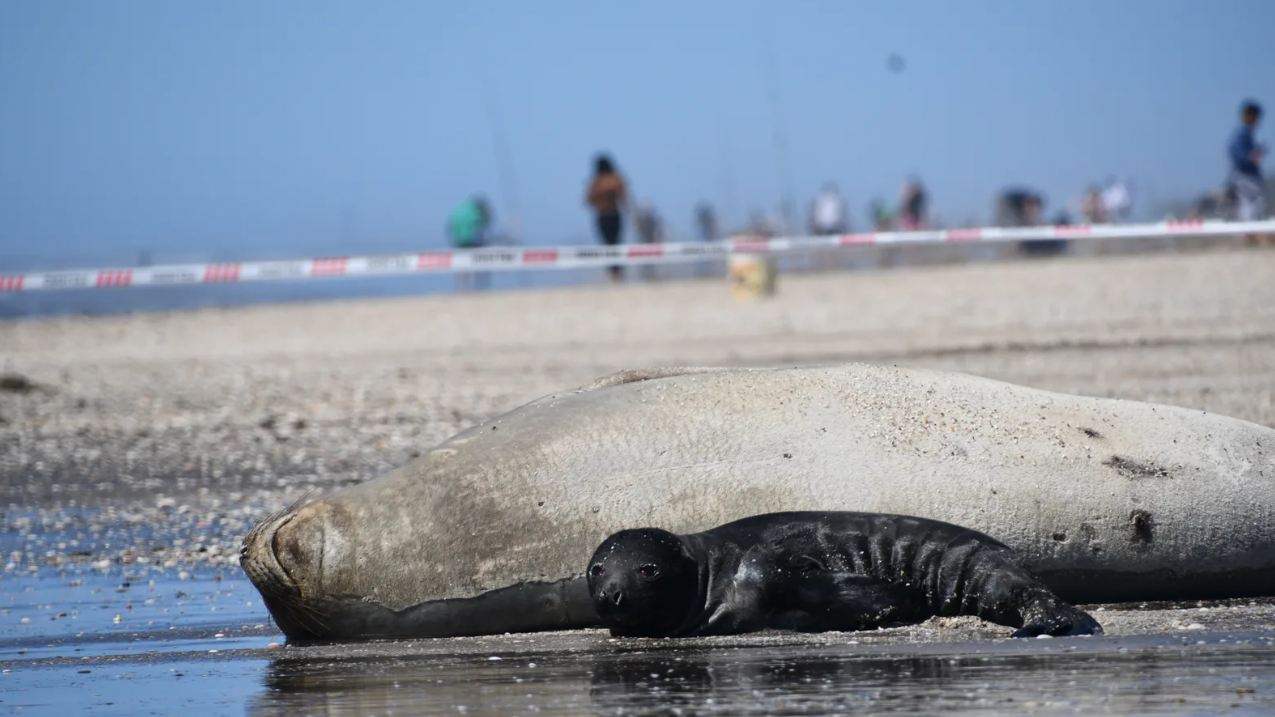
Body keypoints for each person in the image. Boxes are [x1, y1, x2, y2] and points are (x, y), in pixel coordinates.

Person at [585, 154, 629, 281]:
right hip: (614, 215)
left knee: (607, 244)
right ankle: (617, 272)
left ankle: (613, 272)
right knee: (615, 243)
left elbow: (588, 200)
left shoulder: (596, 182)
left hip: (603, 216)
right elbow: (623, 198)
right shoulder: (615, 179)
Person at [1229, 101, 1267, 223]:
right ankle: (1248, 229)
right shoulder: (1243, 133)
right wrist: (1251, 158)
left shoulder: (1246, 133)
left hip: (1245, 174)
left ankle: (1247, 229)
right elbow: (1236, 152)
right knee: (1255, 200)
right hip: (1245, 174)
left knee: (1248, 201)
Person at [447, 196, 491, 291]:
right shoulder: (475, 212)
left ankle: (462, 288)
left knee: (461, 267)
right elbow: (483, 224)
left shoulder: (458, 210)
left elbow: (450, 226)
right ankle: (479, 287)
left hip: (458, 243)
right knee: (475, 265)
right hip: (470, 242)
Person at [633, 202, 665, 281]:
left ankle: (654, 276)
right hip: (644, 244)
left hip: (652, 243)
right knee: (645, 262)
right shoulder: (641, 219)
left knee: (653, 261)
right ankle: (647, 276)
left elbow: (658, 232)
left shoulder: (653, 220)